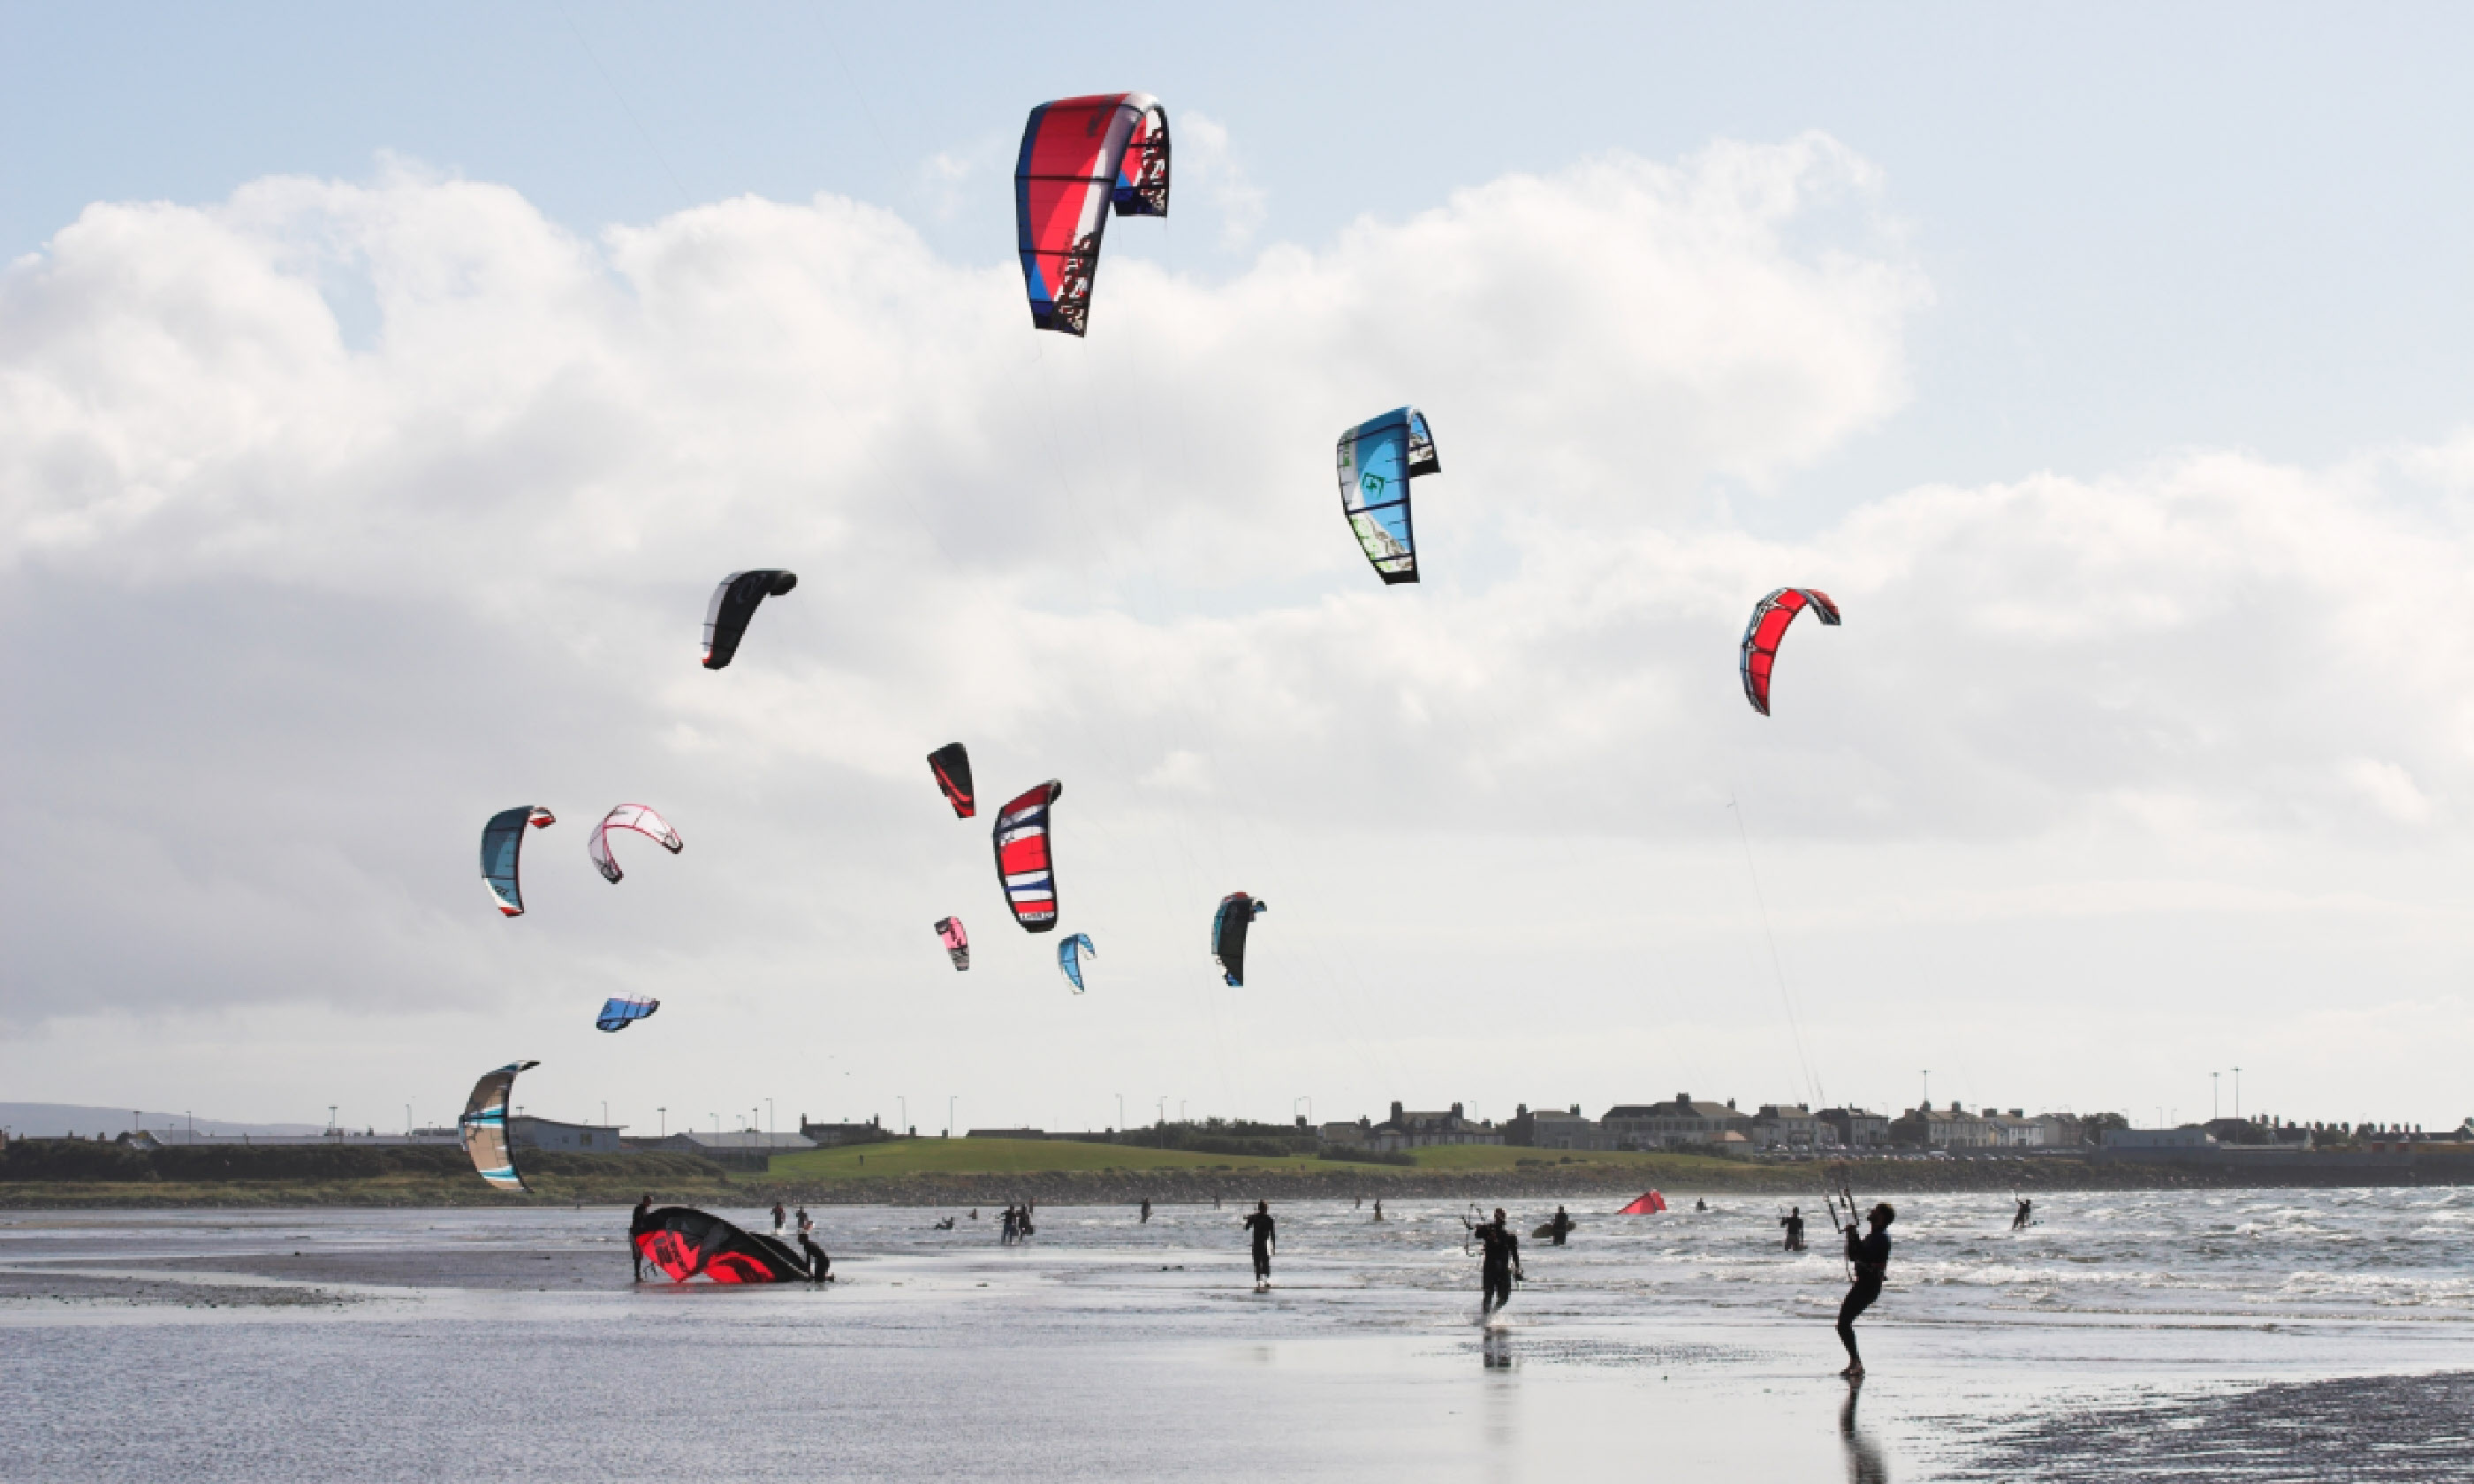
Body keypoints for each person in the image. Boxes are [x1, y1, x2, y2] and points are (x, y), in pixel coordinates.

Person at [1835, 1203, 1895, 1380]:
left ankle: (1856, 1363)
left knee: (1844, 1323)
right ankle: (1855, 1362)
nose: (1872, 1211)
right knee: (1843, 1323)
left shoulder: (1881, 1238)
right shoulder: (1874, 1236)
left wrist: (1853, 1235)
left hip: (1868, 1286)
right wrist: (1851, 1235)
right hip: (1863, 1285)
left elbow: (1863, 1255)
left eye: (1876, 1210)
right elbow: (1855, 1255)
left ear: (1882, 1217)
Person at [1476, 1207, 1522, 1316]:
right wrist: (1481, 1229)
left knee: (1504, 1298)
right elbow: (1477, 1234)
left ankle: (1492, 1314)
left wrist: (1518, 1270)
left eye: (1500, 1217)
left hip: (1503, 1271)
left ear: (1504, 1219)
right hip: (1490, 1269)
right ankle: (1485, 1318)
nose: (1498, 1219)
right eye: (1496, 1216)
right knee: (1488, 1294)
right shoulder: (1488, 1232)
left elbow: (1515, 1255)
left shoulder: (1510, 1237)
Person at [1241, 1200, 1277, 1290]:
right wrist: (1273, 1247)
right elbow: (1272, 1235)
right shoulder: (1269, 1219)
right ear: (1266, 1209)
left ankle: (1262, 1282)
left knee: (1260, 1263)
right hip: (1261, 1244)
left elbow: (1246, 1228)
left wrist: (1248, 1220)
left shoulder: (1257, 1218)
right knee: (1263, 1263)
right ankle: (1263, 1281)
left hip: (1259, 1244)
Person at [629, 1193, 655, 1282]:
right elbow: (639, 1221)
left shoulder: (644, 1209)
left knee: (639, 1255)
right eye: (650, 1201)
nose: (651, 1203)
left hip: (640, 1234)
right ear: (645, 1201)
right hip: (635, 1233)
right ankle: (637, 1276)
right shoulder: (639, 1209)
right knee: (637, 1255)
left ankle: (638, 1275)